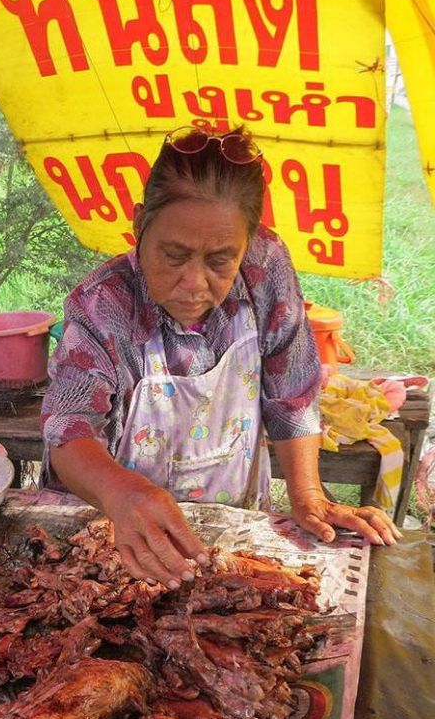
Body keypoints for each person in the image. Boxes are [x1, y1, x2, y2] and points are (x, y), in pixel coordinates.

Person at [40, 125, 400, 589]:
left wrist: (308, 494)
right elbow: (68, 428)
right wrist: (122, 493)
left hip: (230, 532)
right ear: (138, 225)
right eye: (174, 256)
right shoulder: (101, 304)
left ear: (248, 242)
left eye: (219, 261)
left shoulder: (264, 267)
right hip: (117, 534)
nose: (194, 284)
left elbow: (292, 394)